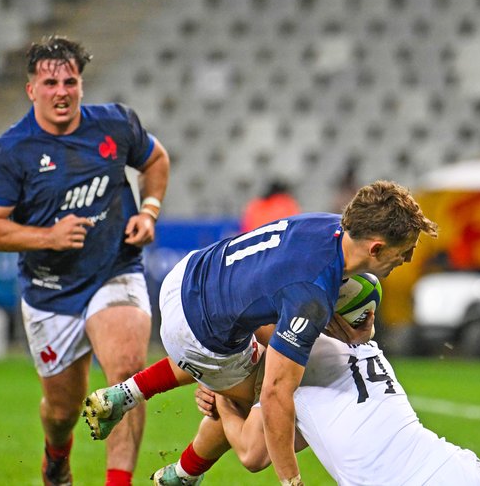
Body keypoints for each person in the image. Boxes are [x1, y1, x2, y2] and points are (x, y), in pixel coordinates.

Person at [82, 180, 438, 485]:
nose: (405, 261)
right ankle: (183, 473)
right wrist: (290, 479)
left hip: (189, 275)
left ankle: (126, 394)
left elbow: (284, 286)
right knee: (256, 403)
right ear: (375, 247)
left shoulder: (329, 228)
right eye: (403, 253)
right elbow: (274, 396)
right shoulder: (312, 293)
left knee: (274, 353)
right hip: (198, 333)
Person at [0, 36, 170, 486]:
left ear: (81, 84)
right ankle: (57, 454)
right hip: (50, 292)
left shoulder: (115, 125)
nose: (61, 91)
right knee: (62, 410)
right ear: (31, 90)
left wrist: (149, 210)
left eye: (70, 81)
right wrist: (49, 236)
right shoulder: (10, 151)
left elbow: (156, 159)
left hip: (114, 269)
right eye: (50, 82)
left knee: (125, 373)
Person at [152, 332, 480, 485]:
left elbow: (253, 453)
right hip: (457, 468)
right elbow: (301, 436)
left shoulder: (295, 356)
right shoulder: (367, 350)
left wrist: (225, 399)